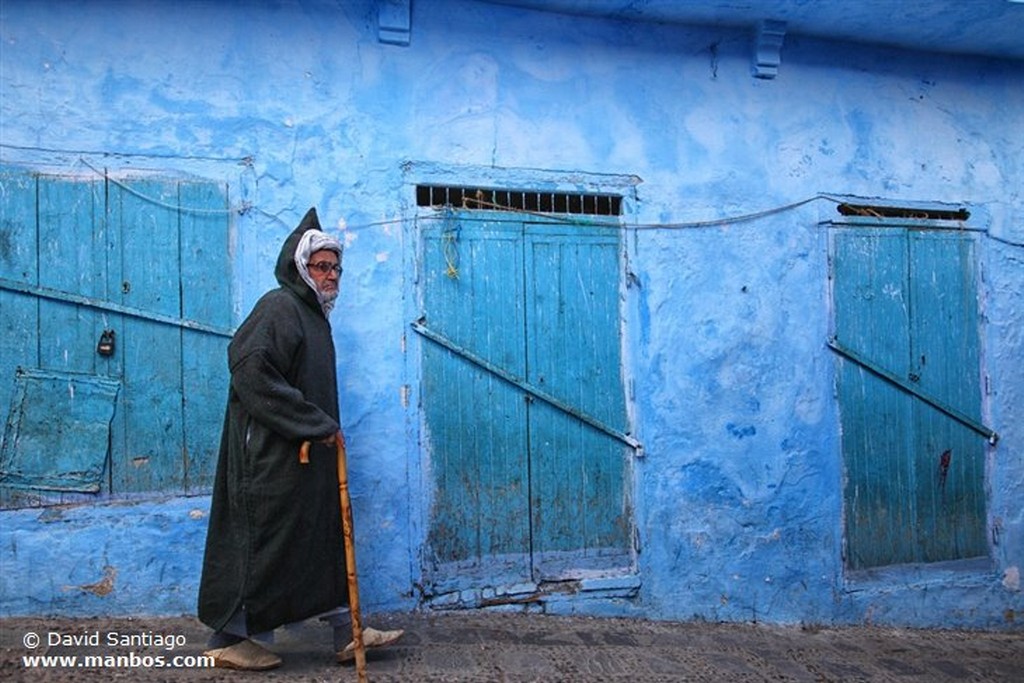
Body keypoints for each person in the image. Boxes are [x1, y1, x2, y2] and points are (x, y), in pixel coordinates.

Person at [197, 207, 402, 670]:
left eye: (335, 267)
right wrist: (313, 424)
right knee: (267, 545)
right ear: (299, 267)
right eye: (321, 266)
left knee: (318, 541)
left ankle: (345, 633)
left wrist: (320, 431)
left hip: (305, 457)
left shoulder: (312, 316)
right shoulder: (280, 306)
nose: (331, 275)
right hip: (269, 459)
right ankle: (226, 640)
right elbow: (250, 368)